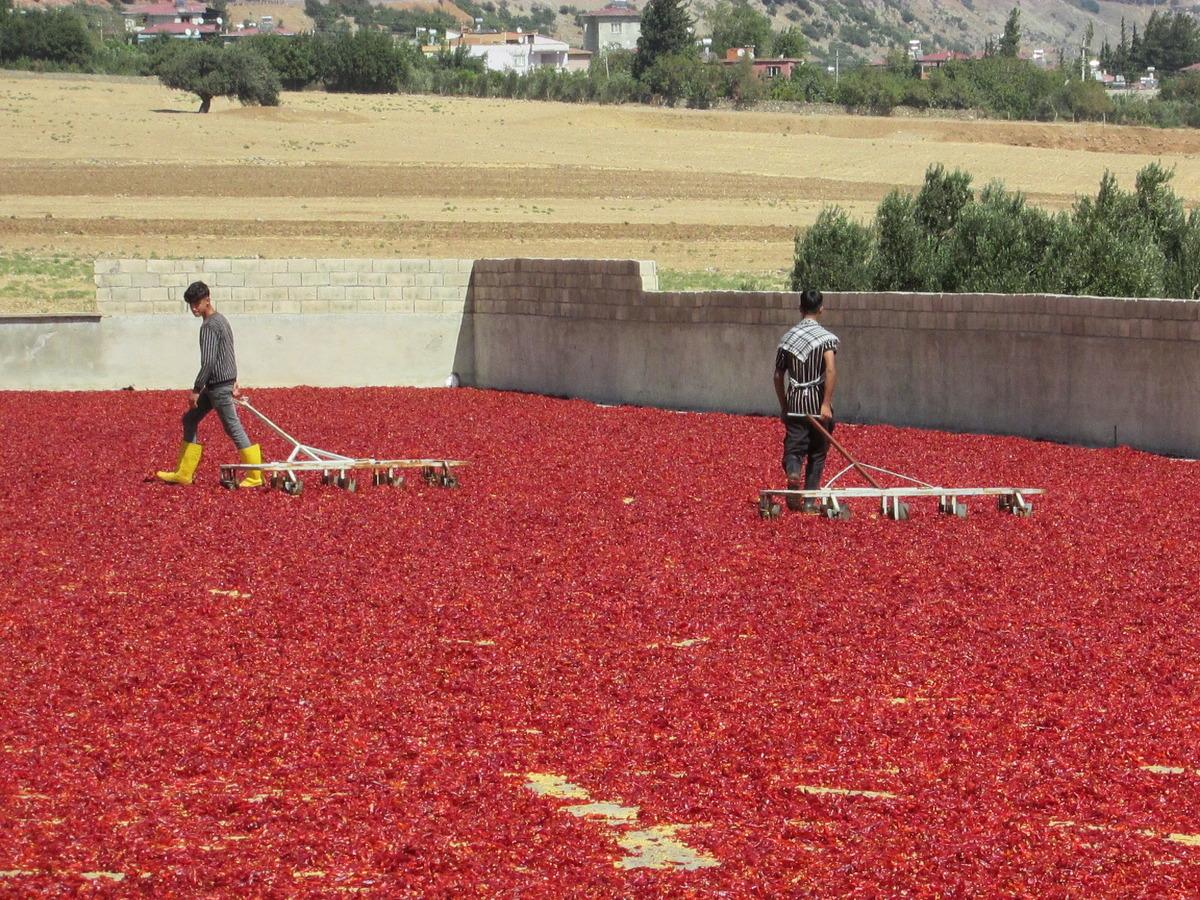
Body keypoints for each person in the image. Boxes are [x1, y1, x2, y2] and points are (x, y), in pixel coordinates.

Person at [155, 281, 263, 487]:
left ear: (207, 300)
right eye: (191, 305)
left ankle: (255, 476)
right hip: (219, 385)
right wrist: (234, 378)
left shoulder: (209, 326)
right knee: (189, 420)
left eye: (197, 303)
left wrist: (196, 390)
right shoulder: (222, 320)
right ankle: (184, 473)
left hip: (218, 387)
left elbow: (209, 361)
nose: (194, 308)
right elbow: (229, 353)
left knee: (233, 427)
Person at [773, 288, 838, 512]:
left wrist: (784, 406)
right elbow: (830, 370)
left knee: (794, 448)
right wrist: (826, 404)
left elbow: (778, 375)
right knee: (818, 452)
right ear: (821, 308)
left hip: (796, 403)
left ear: (800, 309)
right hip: (817, 403)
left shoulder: (788, 339)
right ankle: (809, 501)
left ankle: (793, 471)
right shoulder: (826, 339)